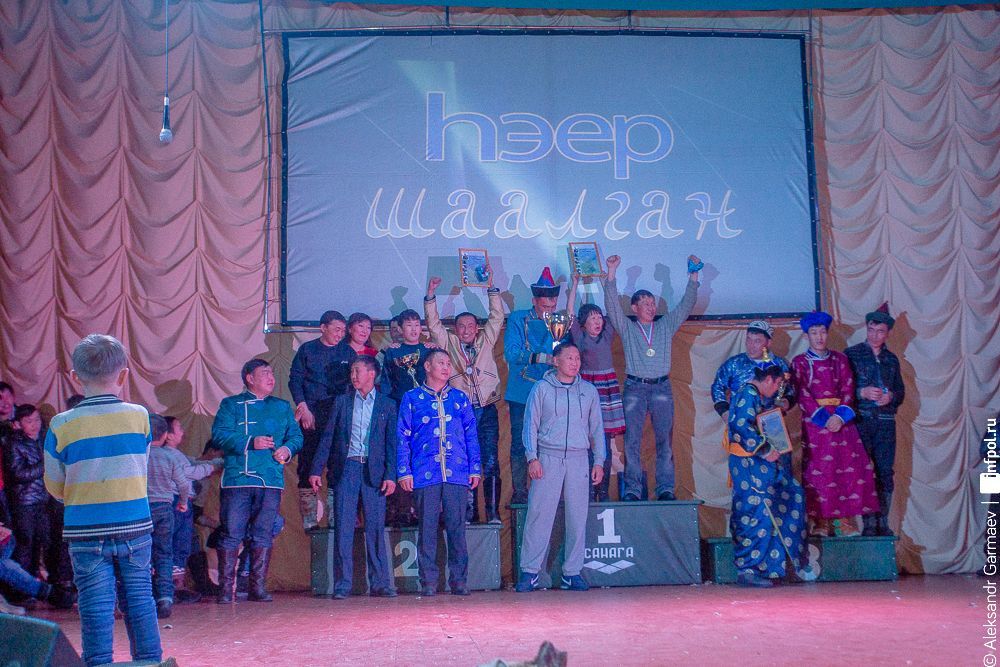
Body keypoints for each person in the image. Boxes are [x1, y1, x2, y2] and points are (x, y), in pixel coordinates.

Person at [43, 334, 162, 666]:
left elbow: (54, 484)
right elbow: (141, 464)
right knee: (140, 600)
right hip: (134, 524)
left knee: (94, 606)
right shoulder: (139, 416)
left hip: (84, 530)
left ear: (74, 377)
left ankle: (97, 663)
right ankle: (150, 662)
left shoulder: (61, 424)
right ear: (123, 375)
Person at [602, 254, 702, 501]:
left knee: (664, 442)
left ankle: (665, 489)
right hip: (635, 388)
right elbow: (612, 306)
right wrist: (612, 271)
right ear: (635, 308)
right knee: (632, 442)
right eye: (644, 303)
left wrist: (693, 275)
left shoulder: (665, 326)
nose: (650, 306)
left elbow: (685, 306)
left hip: (661, 388)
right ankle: (633, 490)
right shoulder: (627, 328)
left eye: (652, 302)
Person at [515, 342, 605, 593]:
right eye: (569, 358)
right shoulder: (541, 388)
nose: (575, 363)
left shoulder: (588, 391)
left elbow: (597, 429)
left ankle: (572, 573)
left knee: (577, 517)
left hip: (579, 459)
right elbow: (530, 425)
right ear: (556, 361)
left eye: (577, 358)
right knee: (539, 515)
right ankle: (530, 572)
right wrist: (532, 457)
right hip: (548, 458)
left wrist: (599, 461)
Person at [211, 358, 303, 604]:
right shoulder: (231, 404)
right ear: (249, 378)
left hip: (270, 479)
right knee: (232, 533)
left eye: (272, 373)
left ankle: (257, 587)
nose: (271, 378)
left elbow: (296, 436)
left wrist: (286, 449)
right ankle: (226, 589)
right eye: (264, 373)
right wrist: (251, 442)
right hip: (238, 480)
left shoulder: (281, 406)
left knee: (263, 534)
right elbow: (219, 435)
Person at [309, 356, 398, 598]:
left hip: (374, 471)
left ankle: (380, 583)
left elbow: (392, 443)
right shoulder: (342, 402)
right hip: (347, 469)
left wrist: (391, 475)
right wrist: (316, 469)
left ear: (372, 373)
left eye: (357, 371)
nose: (353, 376)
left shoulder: (387, 404)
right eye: (351, 372)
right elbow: (328, 437)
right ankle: (343, 584)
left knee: (375, 528)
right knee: (343, 528)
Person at [397, 350, 481, 596]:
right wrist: (404, 471)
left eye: (448, 363)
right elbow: (402, 436)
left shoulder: (460, 398)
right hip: (425, 473)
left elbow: (471, 435)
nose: (446, 367)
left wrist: (474, 467)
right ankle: (429, 582)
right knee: (427, 529)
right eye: (440, 363)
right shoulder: (412, 398)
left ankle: (459, 580)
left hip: (457, 472)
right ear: (427, 366)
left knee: (457, 529)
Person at [425, 273, 505, 523]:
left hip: (487, 409)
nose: (467, 330)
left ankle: (492, 513)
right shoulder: (449, 343)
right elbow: (434, 324)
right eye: (461, 326)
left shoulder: (486, 340)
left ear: (477, 328)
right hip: (461, 411)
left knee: (490, 460)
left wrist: (491, 288)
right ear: (455, 329)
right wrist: (430, 295)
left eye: (471, 326)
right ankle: (469, 513)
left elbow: (497, 316)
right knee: (464, 460)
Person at [791, 312, 880, 536]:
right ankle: (820, 520)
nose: (819, 337)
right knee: (818, 471)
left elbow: (848, 389)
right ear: (806, 336)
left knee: (847, 470)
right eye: (814, 333)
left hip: (842, 423)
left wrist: (839, 418)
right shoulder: (800, 363)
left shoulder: (840, 359)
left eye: (822, 332)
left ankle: (844, 520)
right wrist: (823, 419)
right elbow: (802, 393)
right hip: (815, 425)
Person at [727, 364, 810, 588]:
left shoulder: (755, 395)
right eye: (778, 385)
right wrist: (764, 449)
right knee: (756, 512)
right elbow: (740, 426)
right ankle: (748, 569)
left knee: (776, 506)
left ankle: (771, 568)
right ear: (769, 380)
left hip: (758, 463)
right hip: (749, 463)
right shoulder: (748, 393)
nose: (776, 390)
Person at [845, 303, 905, 536]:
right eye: (871, 330)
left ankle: (883, 522)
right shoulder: (852, 354)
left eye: (880, 331)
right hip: (862, 420)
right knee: (863, 471)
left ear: (887, 333)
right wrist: (862, 392)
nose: (875, 335)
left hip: (886, 421)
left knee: (885, 472)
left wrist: (891, 397)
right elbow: (843, 388)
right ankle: (869, 523)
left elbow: (900, 392)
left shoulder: (891, 359)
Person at [503, 267, 562, 504]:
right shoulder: (518, 319)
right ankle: (520, 491)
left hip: (551, 392)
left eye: (553, 306)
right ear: (535, 301)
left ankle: (549, 489)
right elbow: (511, 353)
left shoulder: (559, 321)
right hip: (522, 391)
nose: (549, 310)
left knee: (550, 442)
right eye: (545, 306)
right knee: (520, 442)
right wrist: (541, 357)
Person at [289, 310, 350, 533]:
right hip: (312, 415)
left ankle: (336, 516)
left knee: (338, 464)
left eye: (343, 330)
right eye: (336, 329)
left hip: (338, 416)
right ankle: (310, 517)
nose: (340, 334)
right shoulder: (308, 350)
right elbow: (295, 380)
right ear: (323, 328)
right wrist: (303, 407)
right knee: (308, 463)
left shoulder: (347, 351)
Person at [566, 277, 625, 501]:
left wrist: (604, 280)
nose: (598, 321)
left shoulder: (607, 334)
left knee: (605, 442)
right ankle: (589, 491)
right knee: (587, 441)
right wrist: (574, 284)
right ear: (583, 323)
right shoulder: (579, 337)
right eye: (592, 318)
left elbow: (612, 307)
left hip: (607, 390)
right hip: (588, 388)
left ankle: (603, 491)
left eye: (599, 317)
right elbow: (570, 313)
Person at [162, 415, 219, 600]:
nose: (183, 431)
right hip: (177, 503)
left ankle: (176, 585)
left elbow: (193, 463)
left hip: (179, 504)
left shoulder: (176, 455)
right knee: (177, 543)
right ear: (168, 435)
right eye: (179, 428)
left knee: (184, 543)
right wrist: (214, 466)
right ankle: (173, 587)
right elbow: (190, 471)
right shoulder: (169, 455)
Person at [146, 414, 189, 618]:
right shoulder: (169, 456)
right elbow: (183, 484)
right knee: (164, 554)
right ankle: (165, 599)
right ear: (165, 435)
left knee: (142, 555)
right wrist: (183, 502)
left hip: (142, 510)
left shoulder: (140, 456)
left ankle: (144, 598)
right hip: (164, 508)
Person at [4, 404, 49, 577]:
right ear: (18, 423)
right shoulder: (14, 443)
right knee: (25, 544)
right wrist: (44, 465)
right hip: (25, 502)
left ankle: (36, 580)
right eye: (29, 421)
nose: (34, 424)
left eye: (37, 419)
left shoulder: (43, 439)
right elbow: (18, 473)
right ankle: (21, 584)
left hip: (43, 499)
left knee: (41, 542)